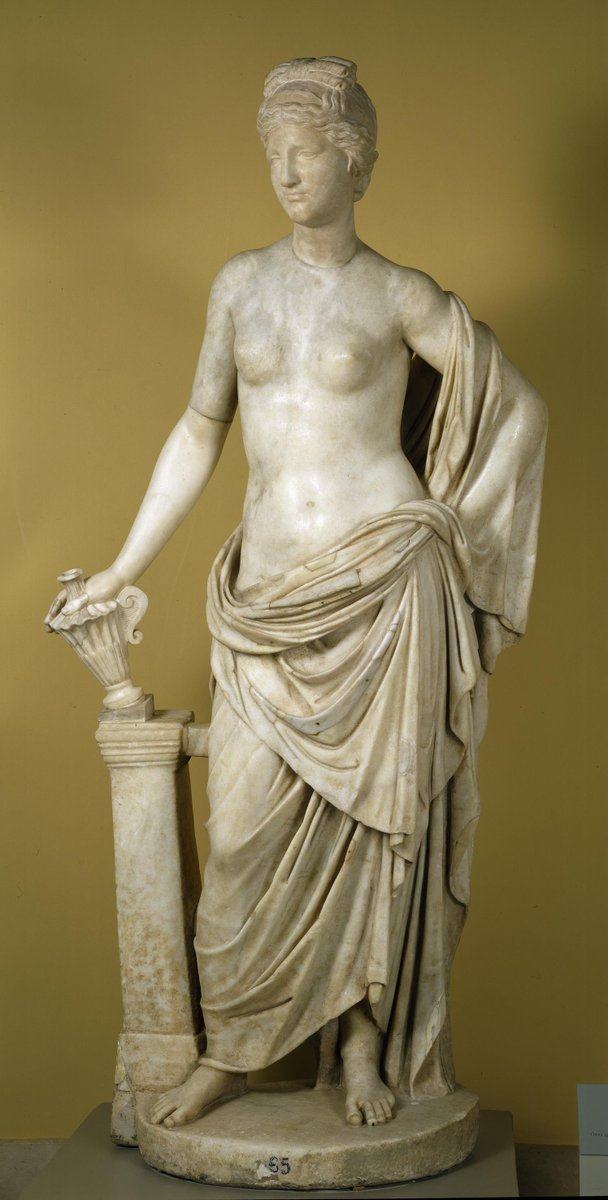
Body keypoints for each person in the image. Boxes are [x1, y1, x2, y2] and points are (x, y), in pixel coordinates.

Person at [46, 57, 546, 1130]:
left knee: (372, 834)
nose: (285, 170)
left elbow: (513, 407)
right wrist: (125, 567)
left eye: (307, 151)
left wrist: (447, 532)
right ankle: (231, 1051)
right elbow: (199, 429)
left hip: (383, 595)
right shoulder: (239, 285)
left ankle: (359, 1048)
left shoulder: (399, 294)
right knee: (238, 834)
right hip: (266, 598)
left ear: (356, 164)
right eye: (272, 151)